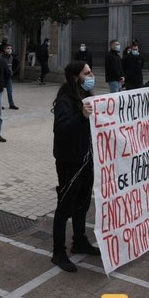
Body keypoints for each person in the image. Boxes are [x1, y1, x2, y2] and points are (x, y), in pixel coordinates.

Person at [51, 61, 101, 272]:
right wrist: (81, 116)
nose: (91, 76)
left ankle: (79, 240)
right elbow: (61, 128)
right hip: (69, 162)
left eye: (90, 72)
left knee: (82, 204)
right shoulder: (65, 99)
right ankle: (58, 252)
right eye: (87, 73)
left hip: (86, 159)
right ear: (75, 77)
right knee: (65, 207)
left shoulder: (84, 95)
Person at [1, 44, 19, 110]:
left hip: (9, 76)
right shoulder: (1, 57)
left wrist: (13, 72)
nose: (9, 50)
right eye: (8, 48)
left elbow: (13, 65)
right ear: (5, 49)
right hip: (2, 77)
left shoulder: (11, 57)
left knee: (10, 91)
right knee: (1, 91)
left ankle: (11, 104)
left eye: (10, 48)